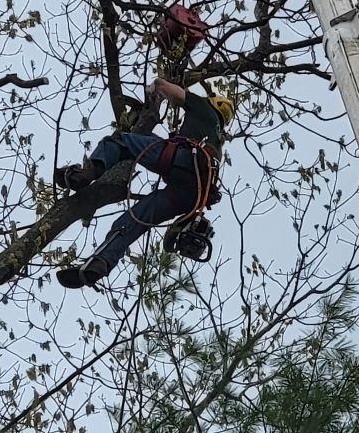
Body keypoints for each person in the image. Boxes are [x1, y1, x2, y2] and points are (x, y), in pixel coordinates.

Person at [54, 80, 234, 288]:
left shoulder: (204, 108)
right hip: (190, 196)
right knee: (133, 220)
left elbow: (175, 93)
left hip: (181, 159)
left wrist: (157, 86)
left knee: (119, 141)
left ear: (213, 103)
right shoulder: (217, 144)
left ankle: (85, 174)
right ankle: (99, 263)